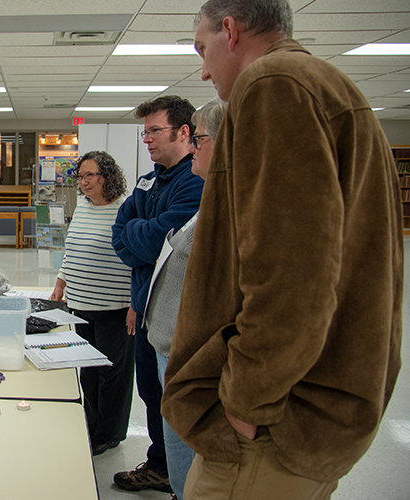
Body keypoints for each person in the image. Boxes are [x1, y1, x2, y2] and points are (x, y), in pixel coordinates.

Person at [163, 1, 403, 498]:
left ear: (230, 30)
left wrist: (245, 404)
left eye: (202, 50)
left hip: (273, 427)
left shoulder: (273, 85)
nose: (204, 71)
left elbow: (291, 273)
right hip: (316, 409)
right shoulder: (328, 85)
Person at [111, 96, 204, 493]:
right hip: (146, 307)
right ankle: (160, 465)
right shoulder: (149, 179)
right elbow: (123, 235)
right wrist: (145, 237)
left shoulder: (197, 181)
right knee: (151, 392)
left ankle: (183, 478)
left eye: (154, 130)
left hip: (177, 317)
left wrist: (143, 236)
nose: (146, 139)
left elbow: (158, 246)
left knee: (177, 403)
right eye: (144, 131)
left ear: (184, 132)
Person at [144, 97, 226, 499]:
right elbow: (135, 231)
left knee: (191, 462)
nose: (195, 146)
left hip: (190, 357)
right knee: (179, 453)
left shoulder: (226, 204)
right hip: (170, 350)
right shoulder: (211, 196)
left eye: (202, 138)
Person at [50, 151, 133, 457]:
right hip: (81, 303)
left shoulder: (126, 208)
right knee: (88, 369)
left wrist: (135, 302)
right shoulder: (83, 207)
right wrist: (61, 283)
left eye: (89, 176)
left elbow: (137, 260)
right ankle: (90, 422)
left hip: (115, 306)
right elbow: (71, 249)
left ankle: (110, 433)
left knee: (112, 373)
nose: (83, 183)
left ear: (106, 176)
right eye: (80, 177)